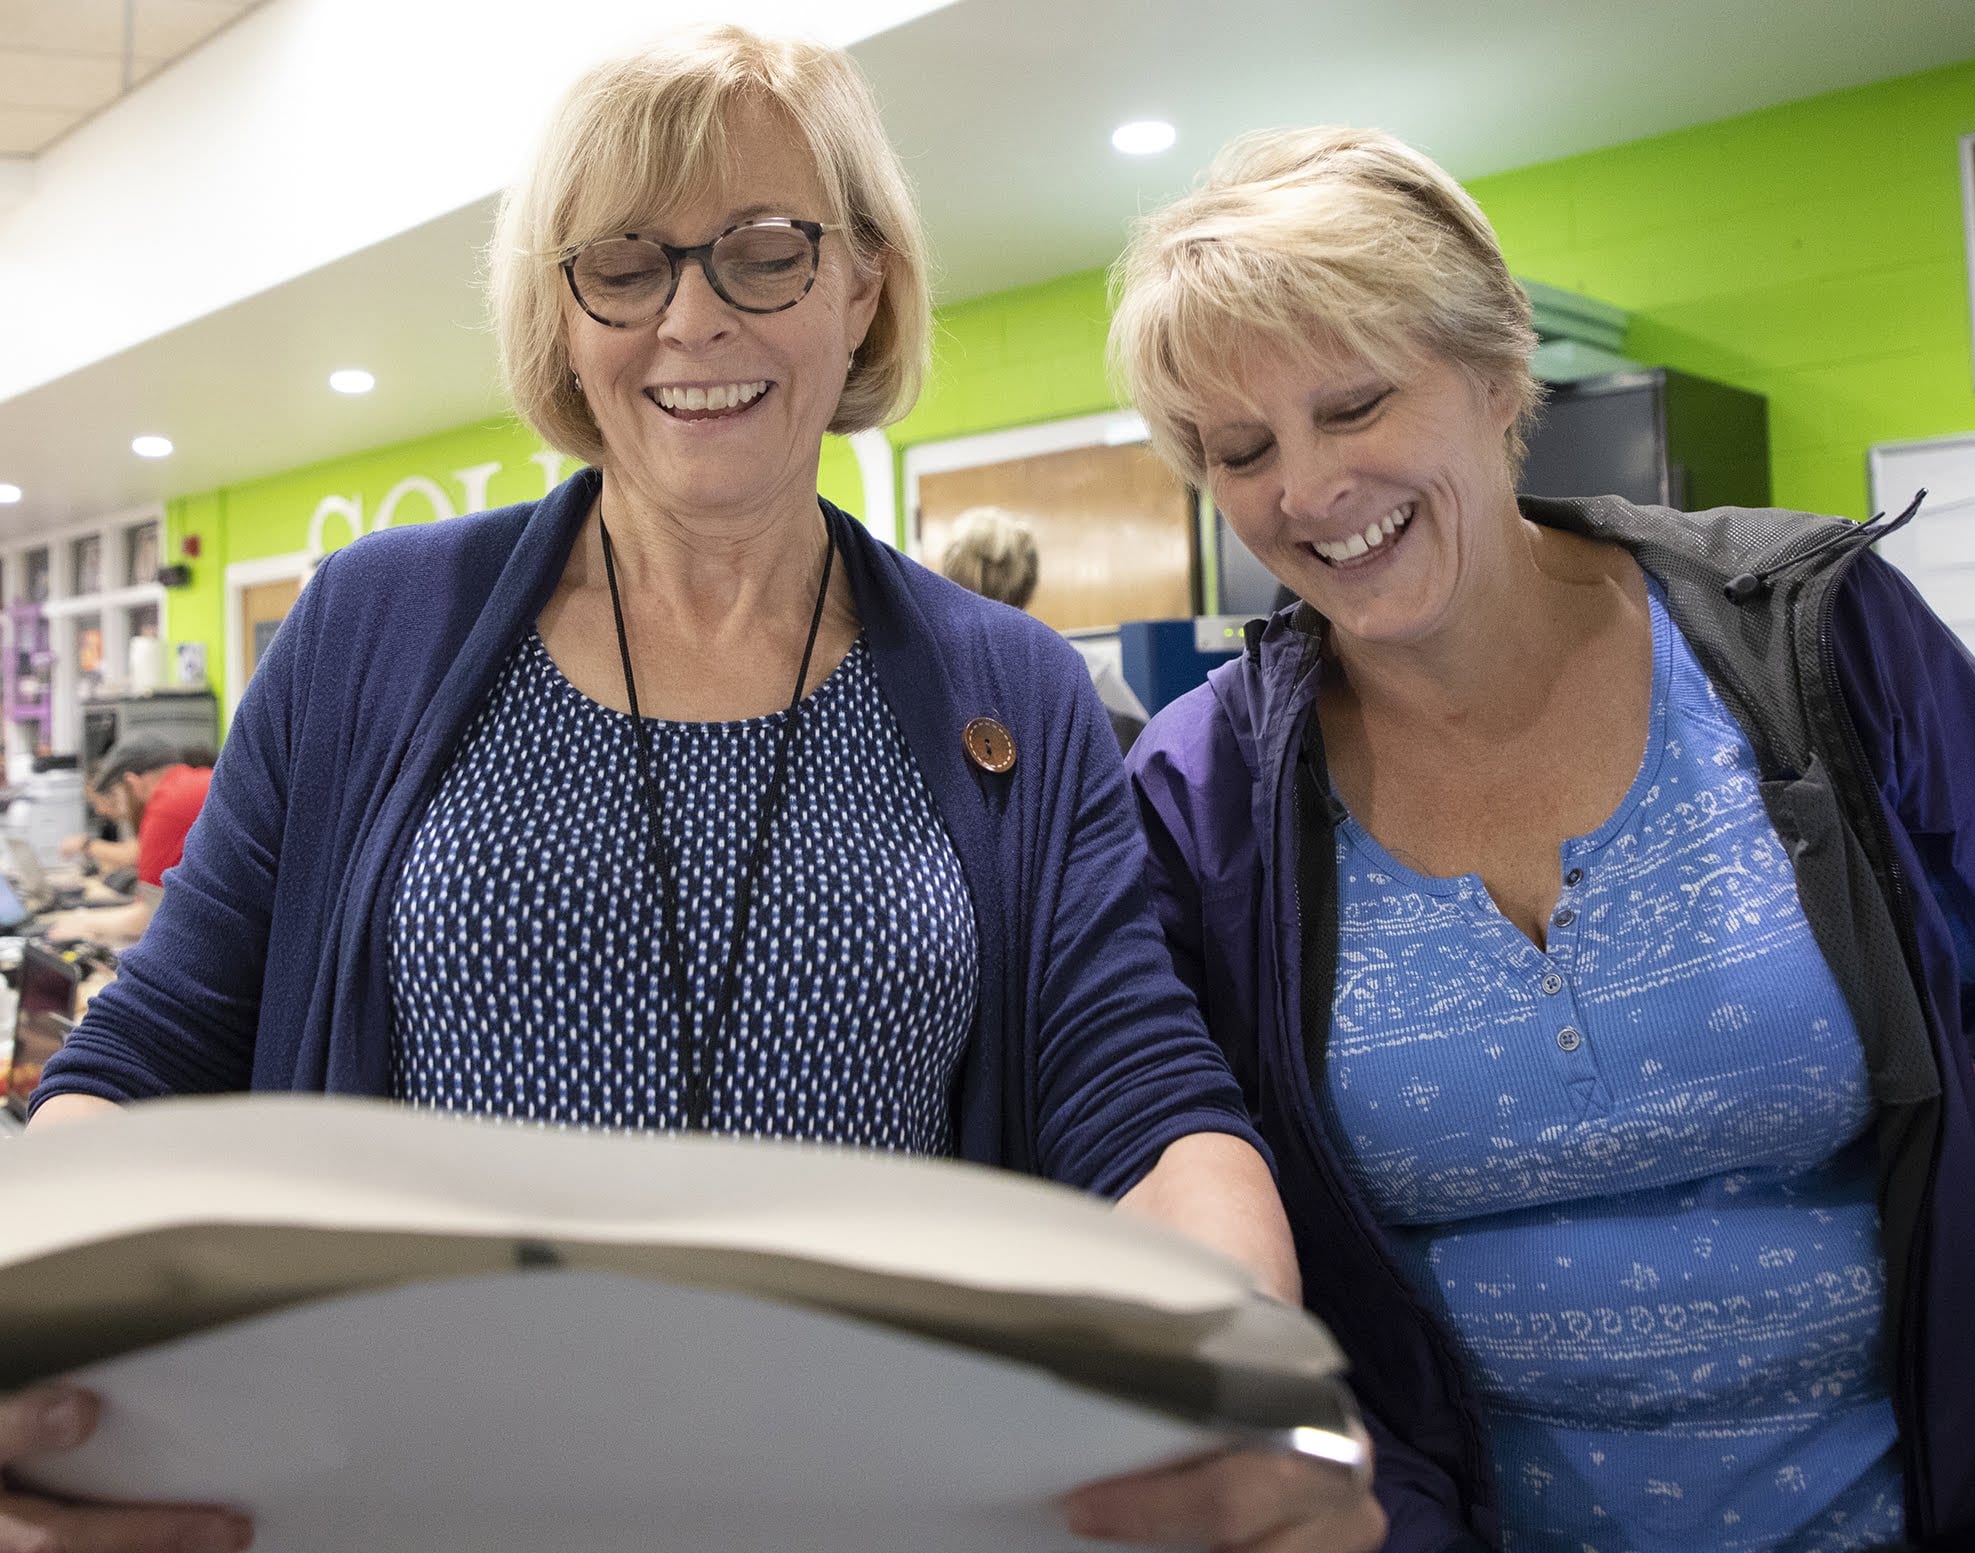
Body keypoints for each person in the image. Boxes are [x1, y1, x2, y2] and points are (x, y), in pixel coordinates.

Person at [24, 30, 1382, 1553]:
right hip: (404, 1496)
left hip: (876, 1501)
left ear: (864, 281)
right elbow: (153, 1049)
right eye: (625, 263)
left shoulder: (1016, 693)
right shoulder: (372, 628)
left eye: (765, 251)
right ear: (564, 305)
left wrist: (1240, 1374)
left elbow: (1138, 1103)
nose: (692, 317)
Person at [1110, 125, 1975, 1551]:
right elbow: (1158, 1151)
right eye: (1242, 448)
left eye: (1355, 404)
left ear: (1497, 371)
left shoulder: (1810, 639)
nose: (1310, 487)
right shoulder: (1205, 794)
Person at [938, 506, 1153, 751]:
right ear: (1028, 586)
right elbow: (1143, 758)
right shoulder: (1083, 669)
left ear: (947, 576)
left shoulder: (928, 675)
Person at [41, 734, 214, 946]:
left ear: (131, 782)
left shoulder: (166, 803)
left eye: (117, 793)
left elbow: (150, 916)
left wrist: (82, 921)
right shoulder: (194, 782)